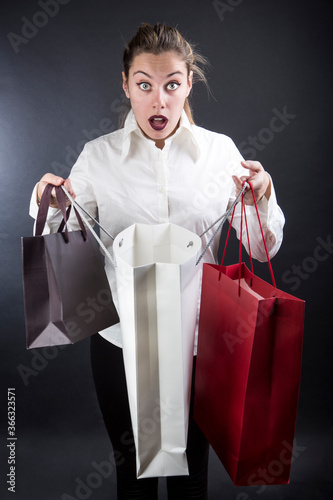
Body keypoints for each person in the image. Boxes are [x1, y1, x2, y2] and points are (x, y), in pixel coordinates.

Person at [30, 23, 285, 500]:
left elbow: (260, 249)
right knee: (134, 477)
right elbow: (61, 246)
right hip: (121, 341)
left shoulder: (219, 152)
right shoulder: (98, 156)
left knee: (191, 478)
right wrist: (53, 205)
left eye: (171, 84)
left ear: (189, 83)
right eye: (144, 84)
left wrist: (261, 197)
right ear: (126, 85)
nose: (159, 101)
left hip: (201, 343)